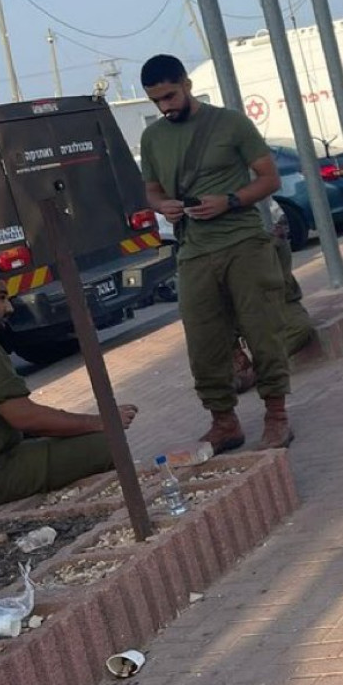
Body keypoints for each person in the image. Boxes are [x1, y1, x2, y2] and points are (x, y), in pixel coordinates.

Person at [138, 55, 293, 451]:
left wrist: (230, 200)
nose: (165, 107)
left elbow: (269, 178)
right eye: (156, 101)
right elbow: (151, 190)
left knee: (263, 332)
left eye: (170, 96)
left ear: (186, 84)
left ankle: (277, 417)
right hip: (193, 251)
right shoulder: (153, 138)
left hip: (243, 243)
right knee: (204, 344)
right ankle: (224, 422)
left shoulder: (230, 123)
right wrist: (163, 206)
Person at [0, 267, 136, 511]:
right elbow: (24, 417)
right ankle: (105, 516)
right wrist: (100, 421)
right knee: (107, 446)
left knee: (64, 436)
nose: (9, 308)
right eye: (0, 297)